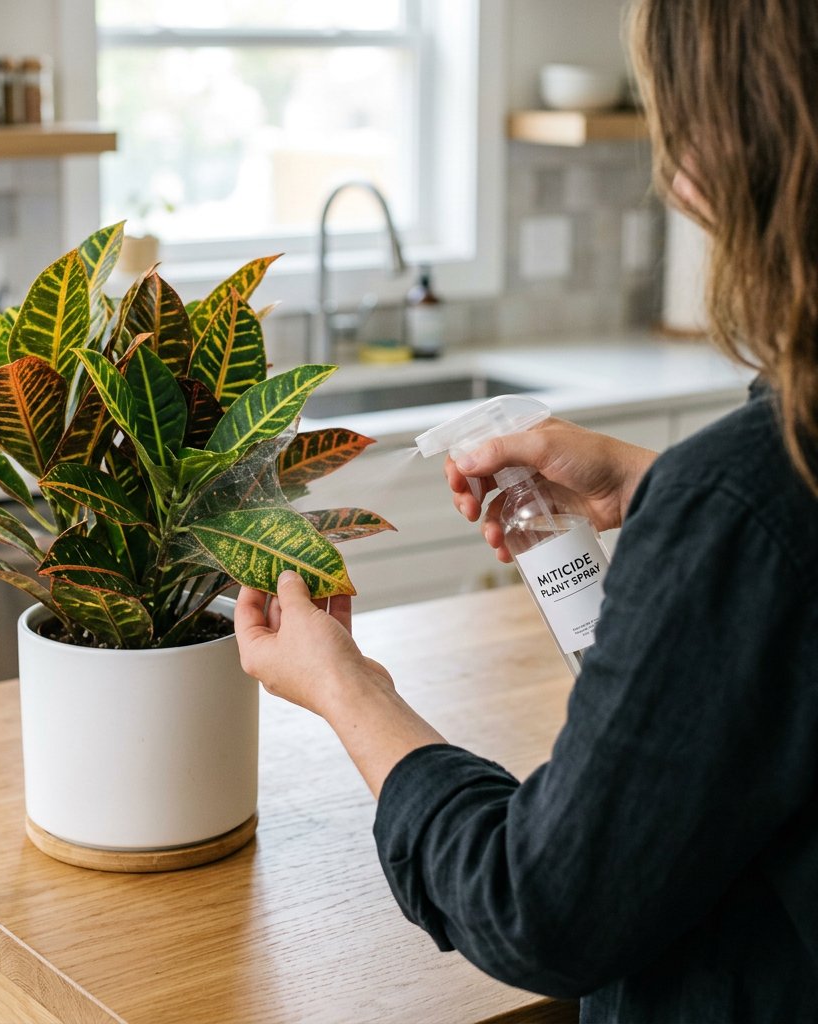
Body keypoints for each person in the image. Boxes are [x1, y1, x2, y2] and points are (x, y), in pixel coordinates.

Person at [234, 0, 818, 1020]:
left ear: (712, 154)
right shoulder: (753, 492)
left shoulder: (740, 502)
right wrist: (652, 483)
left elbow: (537, 905)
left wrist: (349, 689)